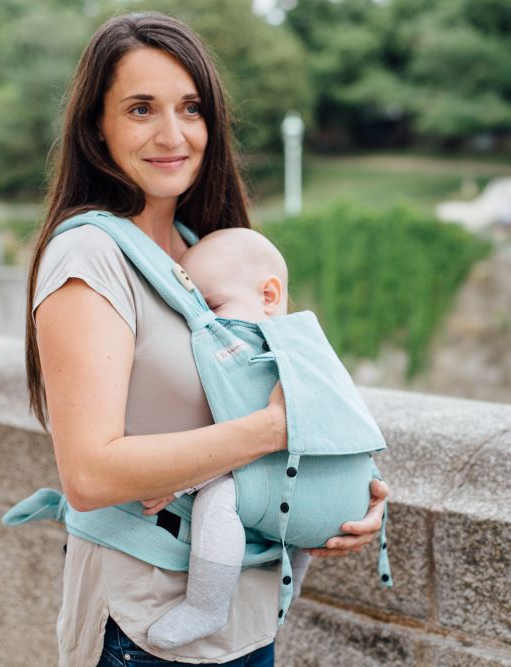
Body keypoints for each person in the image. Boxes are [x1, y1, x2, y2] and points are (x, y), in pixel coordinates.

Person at [25, 13, 389, 667]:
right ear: (96, 128)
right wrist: (281, 429)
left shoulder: (209, 258)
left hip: (246, 621)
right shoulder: (90, 255)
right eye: (141, 109)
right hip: (145, 621)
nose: (173, 134)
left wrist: (330, 486)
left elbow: (272, 389)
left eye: (190, 108)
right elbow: (88, 473)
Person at [146, 227, 313, 649]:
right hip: (306, 485)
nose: (204, 322)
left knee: (219, 496)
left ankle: (206, 607)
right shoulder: (307, 344)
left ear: (269, 296)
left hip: (299, 476)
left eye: (214, 306)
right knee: (296, 539)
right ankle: (287, 591)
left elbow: (238, 441)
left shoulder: (265, 356)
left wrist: (180, 480)